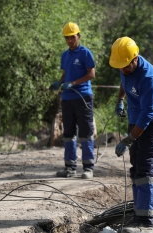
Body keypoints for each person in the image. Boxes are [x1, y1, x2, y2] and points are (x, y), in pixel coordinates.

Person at [109, 37, 153, 233]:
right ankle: (138, 216)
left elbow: (148, 115)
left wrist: (128, 139)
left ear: (135, 58)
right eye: (121, 67)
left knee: (145, 169)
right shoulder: (124, 64)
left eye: (126, 65)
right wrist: (120, 100)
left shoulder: (148, 77)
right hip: (135, 119)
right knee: (136, 169)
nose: (123, 69)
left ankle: (145, 224)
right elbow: (124, 81)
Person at [49, 22, 95, 179]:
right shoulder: (65, 55)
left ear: (78, 36)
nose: (70, 40)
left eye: (72, 37)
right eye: (67, 38)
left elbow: (91, 74)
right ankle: (70, 168)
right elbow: (65, 73)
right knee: (68, 133)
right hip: (67, 98)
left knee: (86, 133)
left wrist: (74, 83)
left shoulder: (85, 53)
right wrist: (60, 82)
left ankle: (88, 168)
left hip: (83, 97)